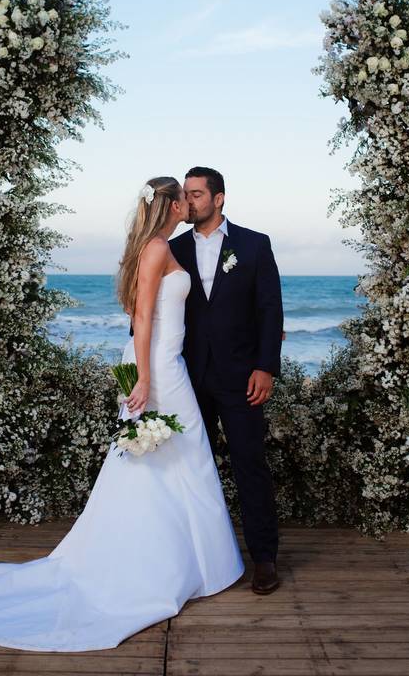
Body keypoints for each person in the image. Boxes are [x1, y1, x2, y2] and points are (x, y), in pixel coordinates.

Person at [0, 176, 244, 652]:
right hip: (158, 369)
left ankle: (190, 561)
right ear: (170, 204)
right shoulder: (155, 250)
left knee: (175, 459)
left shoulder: (157, 247)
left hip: (164, 364)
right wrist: (146, 380)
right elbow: (142, 319)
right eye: (182, 198)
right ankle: (164, 564)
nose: (187, 204)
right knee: (173, 456)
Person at [170, 166, 284, 595]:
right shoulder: (172, 247)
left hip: (241, 377)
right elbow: (150, 309)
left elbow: (270, 310)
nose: (189, 201)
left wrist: (265, 366)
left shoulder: (254, 245)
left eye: (197, 194)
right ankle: (193, 558)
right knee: (190, 468)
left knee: (249, 465)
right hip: (188, 377)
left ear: (219, 199)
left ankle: (264, 559)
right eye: (186, 194)